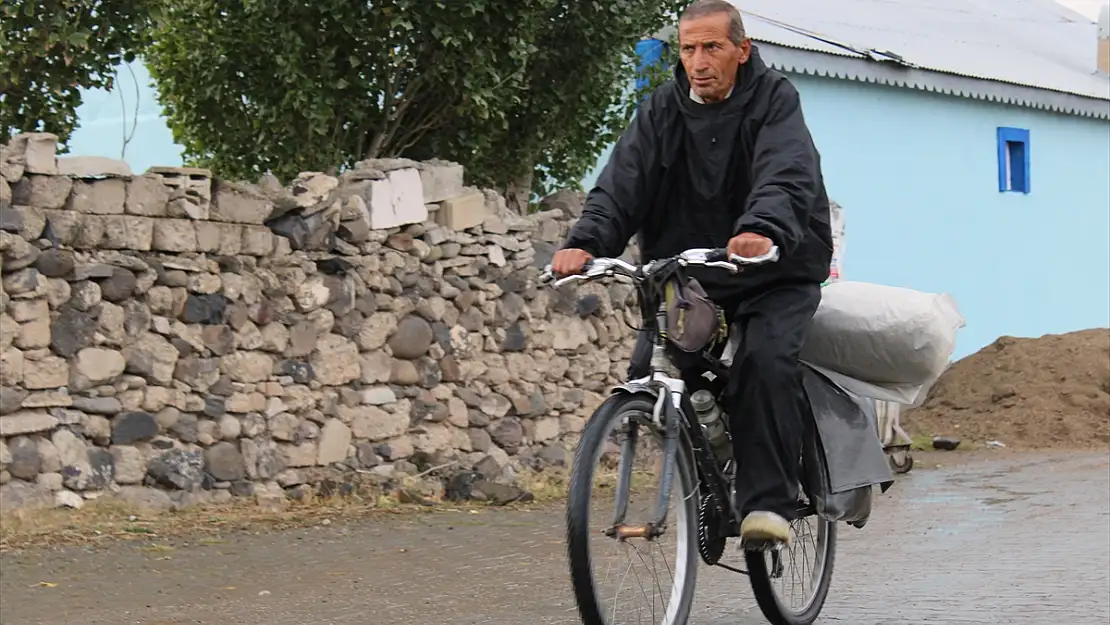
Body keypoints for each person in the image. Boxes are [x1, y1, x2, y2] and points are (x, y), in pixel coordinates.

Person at [552, 0, 833, 547]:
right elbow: (621, 183)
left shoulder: (775, 100)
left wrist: (763, 228)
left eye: (712, 47)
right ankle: (709, 471)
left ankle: (768, 503)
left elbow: (785, 171)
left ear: (741, 50)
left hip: (773, 267)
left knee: (766, 361)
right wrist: (586, 243)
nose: (698, 61)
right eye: (688, 49)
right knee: (660, 364)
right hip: (692, 273)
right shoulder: (661, 111)